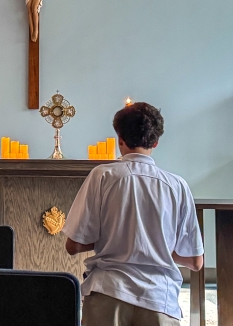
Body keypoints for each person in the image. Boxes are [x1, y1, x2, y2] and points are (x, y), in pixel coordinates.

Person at [64, 102, 203, 326]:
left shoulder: (102, 176)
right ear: (156, 142)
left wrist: (115, 241)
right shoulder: (177, 186)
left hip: (109, 292)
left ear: (120, 138)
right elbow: (196, 261)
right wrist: (155, 248)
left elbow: (73, 246)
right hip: (160, 298)